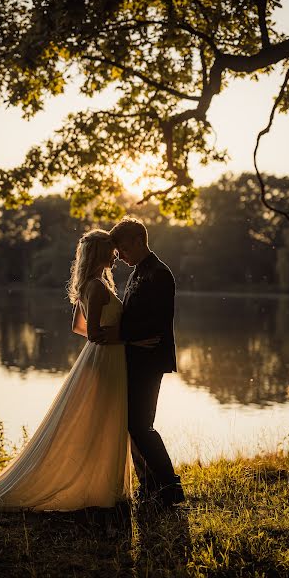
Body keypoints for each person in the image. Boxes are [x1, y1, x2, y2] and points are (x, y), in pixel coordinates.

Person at [0, 229, 141, 515]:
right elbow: (94, 333)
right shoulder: (97, 287)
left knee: (102, 420)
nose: (115, 254)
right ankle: (101, 490)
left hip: (101, 357)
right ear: (99, 253)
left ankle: (101, 487)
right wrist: (127, 334)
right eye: (111, 250)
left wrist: (108, 336)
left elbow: (78, 327)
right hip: (106, 357)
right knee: (104, 418)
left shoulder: (90, 284)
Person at [98, 217, 185, 507]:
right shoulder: (138, 272)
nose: (119, 256)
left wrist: (118, 334)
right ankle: (149, 488)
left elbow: (155, 323)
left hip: (150, 358)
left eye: (122, 248)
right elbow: (133, 317)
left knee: (141, 424)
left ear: (138, 240)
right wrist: (126, 339)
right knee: (132, 424)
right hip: (134, 355)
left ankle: (170, 487)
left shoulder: (159, 273)